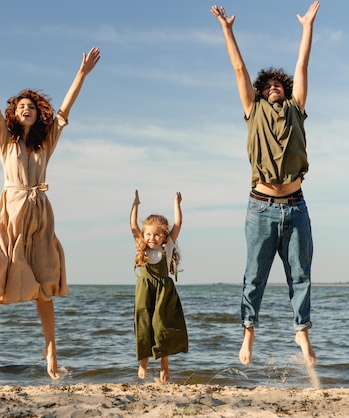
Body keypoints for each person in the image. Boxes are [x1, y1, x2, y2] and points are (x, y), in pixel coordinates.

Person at [0, 35, 100, 381]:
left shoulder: (46, 141)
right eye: (20, 106)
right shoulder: (5, 139)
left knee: (45, 286)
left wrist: (81, 73)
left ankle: (51, 352)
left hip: (40, 216)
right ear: (14, 113)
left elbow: (65, 111)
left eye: (31, 105)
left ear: (36, 112)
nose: (25, 108)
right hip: (10, 214)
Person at [211, 2, 320, 367]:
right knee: (255, 277)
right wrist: (227, 29)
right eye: (269, 86)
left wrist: (306, 27)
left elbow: (302, 66)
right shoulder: (252, 109)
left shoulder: (295, 109)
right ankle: (248, 332)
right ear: (260, 92)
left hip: (296, 206)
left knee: (301, 274)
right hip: (260, 206)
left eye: (279, 85)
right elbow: (238, 68)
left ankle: (301, 332)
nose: (275, 88)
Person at [130, 189, 188, 382]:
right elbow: (132, 225)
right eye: (148, 234)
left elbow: (178, 224)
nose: (152, 238)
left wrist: (176, 204)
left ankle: (164, 363)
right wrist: (136, 205)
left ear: (164, 236)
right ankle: (144, 361)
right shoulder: (142, 247)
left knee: (162, 326)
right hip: (144, 290)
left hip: (164, 291)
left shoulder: (168, 247)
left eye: (156, 235)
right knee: (144, 323)